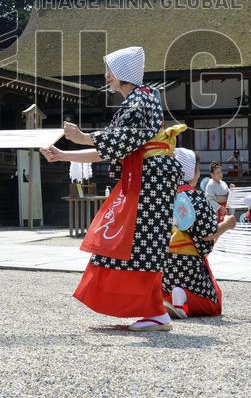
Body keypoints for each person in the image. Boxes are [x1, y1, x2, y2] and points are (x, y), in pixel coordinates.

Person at [40, 46, 185, 331]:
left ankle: (156, 311)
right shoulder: (140, 99)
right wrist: (63, 155)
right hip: (146, 177)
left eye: (110, 71)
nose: (106, 76)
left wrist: (83, 137)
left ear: (122, 73)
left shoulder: (141, 100)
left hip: (150, 179)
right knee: (133, 242)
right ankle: (154, 308)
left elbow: (118, 142)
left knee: (139, 242)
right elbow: (112, 148)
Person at [162, 148, 236, 319]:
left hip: (161, 265)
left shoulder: (161, 193)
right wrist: (226, 225)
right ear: (191, 172)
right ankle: (182, 295)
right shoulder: (195, 197)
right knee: (212, 303)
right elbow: (207, 234)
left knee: (165, 288)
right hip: (187, 264)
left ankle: (167, 299)